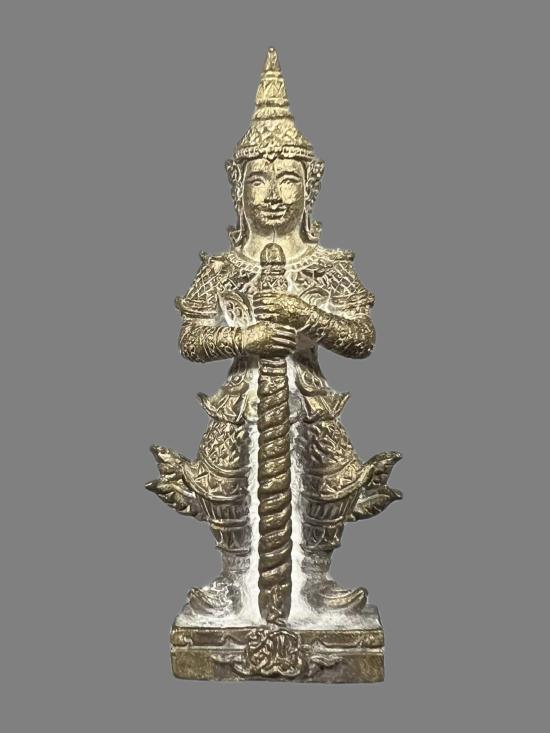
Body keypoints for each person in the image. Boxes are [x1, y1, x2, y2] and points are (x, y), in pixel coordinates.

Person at [147, 49, 401, 620]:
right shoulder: (223, 267)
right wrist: (245, 338)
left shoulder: (326, 264)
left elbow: (362, 336)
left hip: (305, 395)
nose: (273, 194)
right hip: (241, 398)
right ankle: (234, 579)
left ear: (311, 186)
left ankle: (315, 583)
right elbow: (191, 339)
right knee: (225, 485)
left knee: (327, 486)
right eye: (259, 180)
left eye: (288, 179)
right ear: (238, 187)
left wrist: (305, 315)